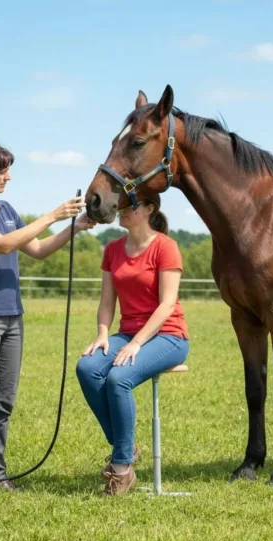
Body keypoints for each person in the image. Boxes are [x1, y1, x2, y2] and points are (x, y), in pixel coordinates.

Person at [0, 140, 94, 496]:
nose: (8, 178)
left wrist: (72, 227)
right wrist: (53, 215)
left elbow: (39, 249)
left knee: (3, 402)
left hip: (12, 318)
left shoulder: (7, 209)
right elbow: (3, 244)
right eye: (3, 172)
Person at [76, 194, 189, 496]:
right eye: (121, 205)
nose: (122, 210)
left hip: (168, 335)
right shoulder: (113, 249)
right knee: (87, 367)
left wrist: (137, 343)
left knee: (118, 377)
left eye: (130, 205)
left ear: (149, 209)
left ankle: (122, 470)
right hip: (127, 333)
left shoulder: (166, 247)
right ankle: (127, 448)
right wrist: (102, 333)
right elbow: (106, 301)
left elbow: (167, 305)